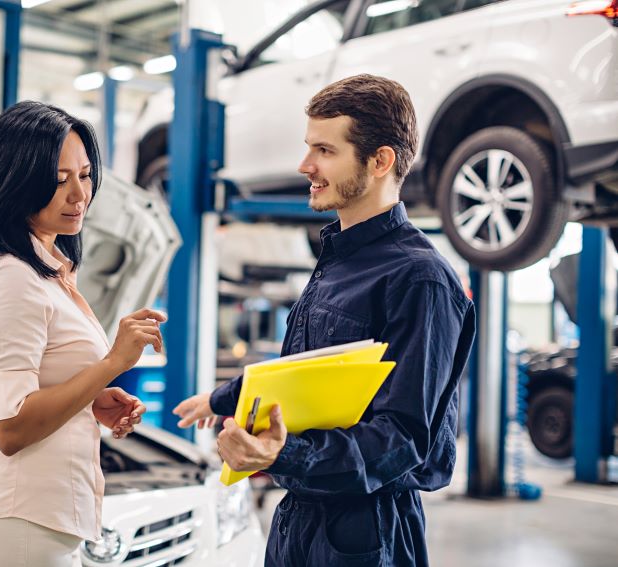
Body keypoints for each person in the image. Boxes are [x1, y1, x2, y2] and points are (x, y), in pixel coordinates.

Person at [174, 74, 476, 567]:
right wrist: (221, 398)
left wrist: (280, 456)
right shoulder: (340, 258)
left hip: (367, 531)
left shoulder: (420, 280)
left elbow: (400, 442)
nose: (305, 165)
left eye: (325, 150)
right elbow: (313, 373)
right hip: (298, 517)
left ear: (380, 161)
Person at [0, 101, 166, 567]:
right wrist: (112, 363)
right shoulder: (9, 277)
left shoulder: (44, 272)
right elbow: (11, 428)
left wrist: (91, 399)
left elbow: (37, 391)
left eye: (84, 176)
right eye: (58, 178)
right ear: (16, 181)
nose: (78, 194)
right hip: (13, 524)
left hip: (37, 525)